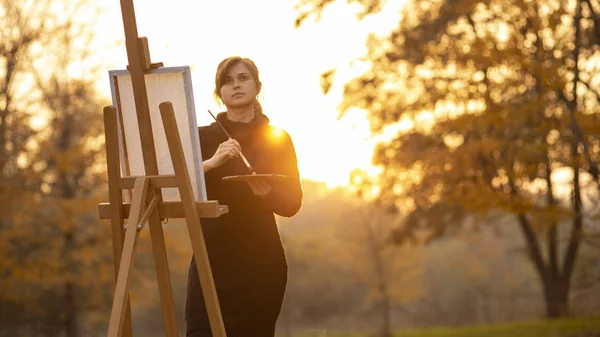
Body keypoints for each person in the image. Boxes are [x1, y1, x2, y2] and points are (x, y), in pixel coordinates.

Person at [184, 56, 303, 337]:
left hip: (261, 263)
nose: (235, 86)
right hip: (210, 259)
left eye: (242, 78)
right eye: (227, 81)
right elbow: (177, 187)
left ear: (257, 86)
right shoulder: (199, 138)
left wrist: (268, 193)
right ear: (219, 93)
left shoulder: (278, 139)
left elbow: (292, 203)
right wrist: (211, 162)